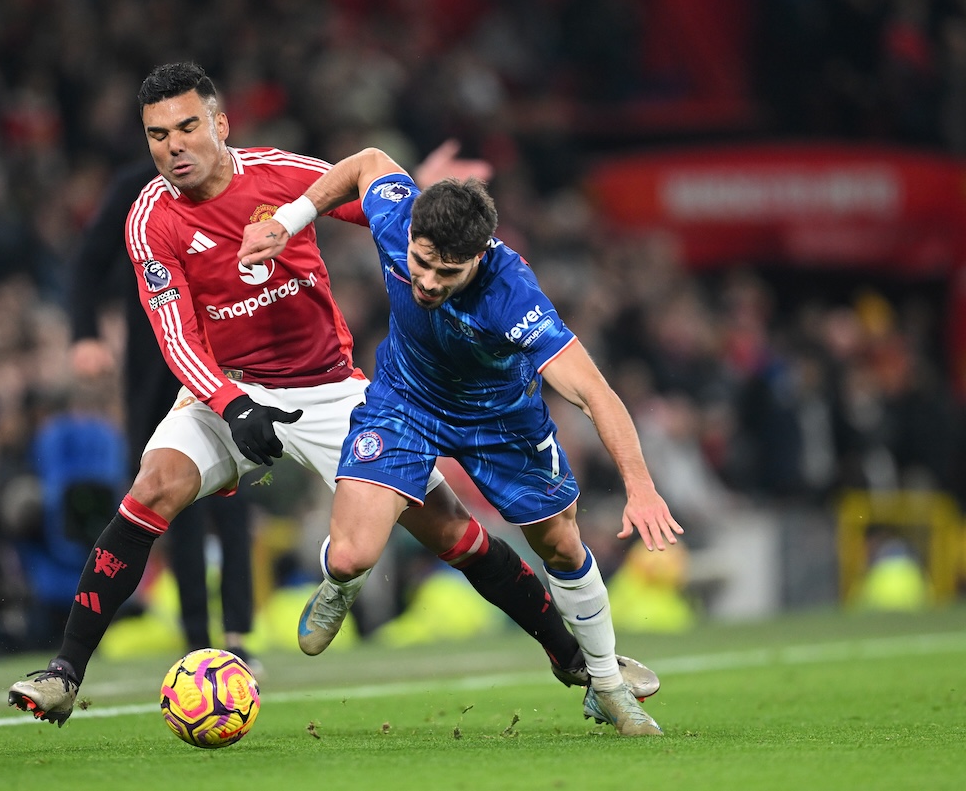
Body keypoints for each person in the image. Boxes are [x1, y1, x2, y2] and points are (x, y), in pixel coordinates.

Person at [7, 62, 658, 727]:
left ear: (220, 124)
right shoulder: (150, 218)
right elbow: (175, 337)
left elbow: (388, 209)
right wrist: (230, 403)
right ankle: (64, 673)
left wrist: (426, 189)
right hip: (226, 391)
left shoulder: (283, 175)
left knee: (454, 532)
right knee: (152, 487)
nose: (173, 147)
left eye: (187, 127)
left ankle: (572, 659)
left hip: (330, 390)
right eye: (156, 135)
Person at [239, 147, 685, 736]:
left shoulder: (513, 296)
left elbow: (595, 393)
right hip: (406, 403)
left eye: (446, 274)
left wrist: (641, 487)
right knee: (351, 555)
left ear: (479, 256)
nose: (425, 281)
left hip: (500, 422)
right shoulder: (399, 216)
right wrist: (290, 219)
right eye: (420, 264)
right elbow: (368, 161)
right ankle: (338, 581)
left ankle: (605, 686)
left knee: (560, 546)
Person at [68, 156, 257, 666]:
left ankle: (238, 632)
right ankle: (199, 636)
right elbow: (88, 259)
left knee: (236, 493)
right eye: (163, 131)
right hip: (156, 362)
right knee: (171, 498)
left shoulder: (238, 181)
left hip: (228, 354)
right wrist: (84, 333)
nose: (177, 144)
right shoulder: (136, 189)